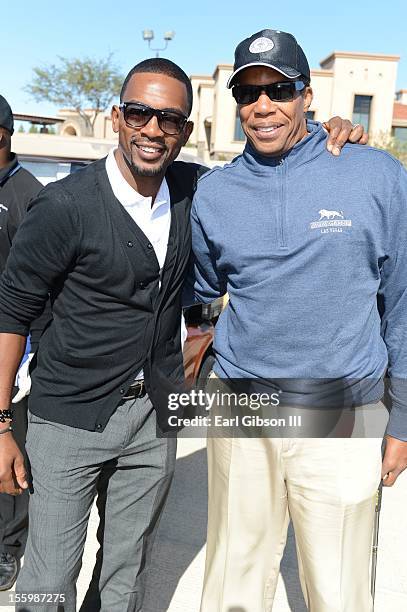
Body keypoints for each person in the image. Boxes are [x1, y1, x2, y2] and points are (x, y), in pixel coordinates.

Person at [0, 57, 365, 611]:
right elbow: (12, 312)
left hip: (154, 419)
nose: (153, 129)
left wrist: (325, 134)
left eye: (169, 118)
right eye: (141, 113)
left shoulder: (196, 189)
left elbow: (264, 173)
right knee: (49, 577)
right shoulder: (63, 206)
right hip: (69, 419)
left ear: (186, 130)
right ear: (119, 118)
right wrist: (1, 423)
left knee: (125, 572)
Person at [190, 29, 407, 612]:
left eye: (279, 89)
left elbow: (404, 302)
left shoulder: (376, 176)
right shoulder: (214, 192)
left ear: (307, 95)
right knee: (234, 583)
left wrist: (404, 418)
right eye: (248, 92)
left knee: (339, 590)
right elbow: (203, 293)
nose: (263, 106)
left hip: (344, 405)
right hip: (242, 404)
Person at [0, 95, 47, 591]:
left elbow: (36, 289)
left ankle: (8, 547)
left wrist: (26, 360)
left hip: (15, 349)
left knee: (11, 455)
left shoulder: (28, 196)